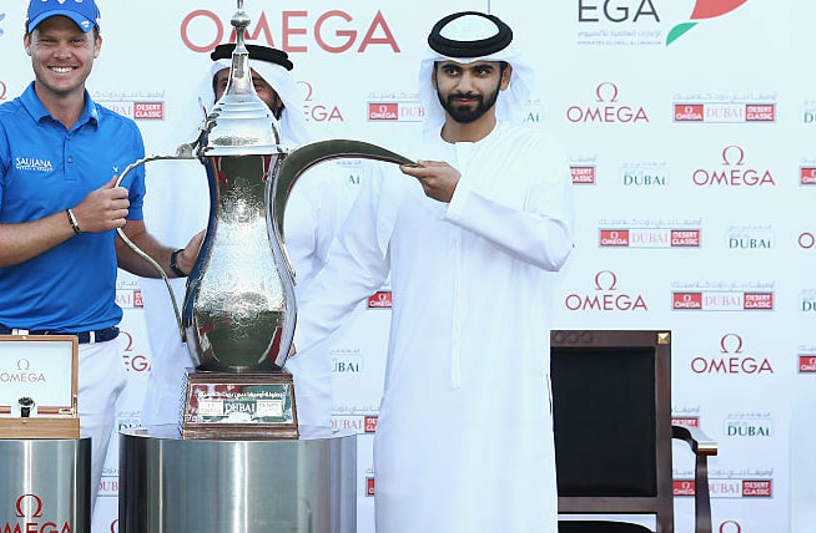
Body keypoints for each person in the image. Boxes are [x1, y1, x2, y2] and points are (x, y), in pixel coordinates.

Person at [292, 11, 575, 533]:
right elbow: (350, 272)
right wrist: (280, 346)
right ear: (434, 76)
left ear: (505, 77)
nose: (465, 84)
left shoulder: (537, 152)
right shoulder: (401, 163)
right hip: (417, 394)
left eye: (481, 71)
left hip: (506, 396)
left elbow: (552, 245)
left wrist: (461, 196)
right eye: (452, 71)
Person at [0, 0, 199, 524]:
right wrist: (75, 219)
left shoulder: (123, 134)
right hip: (7, 351)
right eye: (49, 39)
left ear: (96, 46)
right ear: (28, 44)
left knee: (68, 515)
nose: (62, 53)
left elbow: (127, 239)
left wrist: (176, 261)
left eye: (75, 40)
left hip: (91, 358)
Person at [139, 43, 374, 429]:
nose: (239, 93)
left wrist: (294, 337)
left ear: (280, 98)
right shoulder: (176, 173)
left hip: (291, 369)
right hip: (196, 369)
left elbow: (346, 270)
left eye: (258, 85)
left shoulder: (318, 178)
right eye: (225, 84)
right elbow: (154, 263)